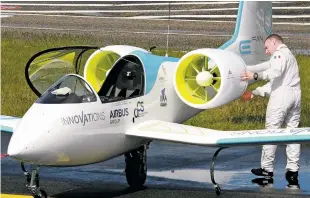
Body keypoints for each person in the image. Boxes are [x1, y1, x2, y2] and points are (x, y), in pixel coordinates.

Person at [240, 34, 301, 188]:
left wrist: (254, 75)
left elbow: (275, 75)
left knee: (271, 132)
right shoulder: (291, 57)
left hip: (282, 98)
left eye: (267, 47)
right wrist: (254, 92)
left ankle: (267, 169)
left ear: (274, 42)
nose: (267, 51)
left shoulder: (279, 54)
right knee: (292, 133)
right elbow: (275, 84)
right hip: (295, 95)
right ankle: (292, 171)